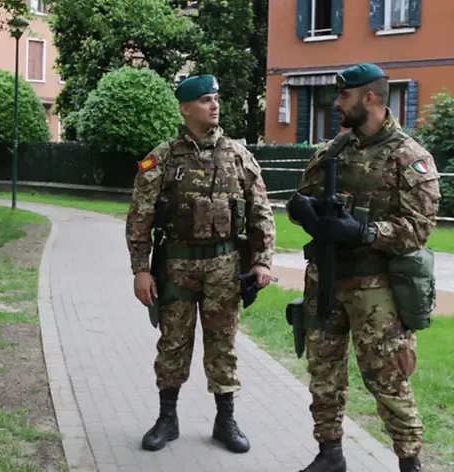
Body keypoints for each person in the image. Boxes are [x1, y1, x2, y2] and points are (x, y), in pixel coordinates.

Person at [286, 63, 439, 472]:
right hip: (325, 279)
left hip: (376, 287)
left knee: (387, 379)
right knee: (323, 374)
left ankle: (410, 463)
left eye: (344, 96)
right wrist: (305, 212)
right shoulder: (330, 152)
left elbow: (418, 229)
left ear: (369, 98)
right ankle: (330, 455)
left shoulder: (409, 157)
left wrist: (364, 232)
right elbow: (302, 198)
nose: (337, 103)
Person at [125, 74, 277, 454]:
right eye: (206, 99)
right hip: (176, 266)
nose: (215, 105)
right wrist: (141, 269)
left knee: (223, 345)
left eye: (216, 98)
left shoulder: (238, 155)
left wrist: (261, 262)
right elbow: (139, 218)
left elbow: (261, 212)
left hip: (225, 266)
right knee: (173, 343)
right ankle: (167, 419)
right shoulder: (162, 158)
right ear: (185, 107)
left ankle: (225, 420)